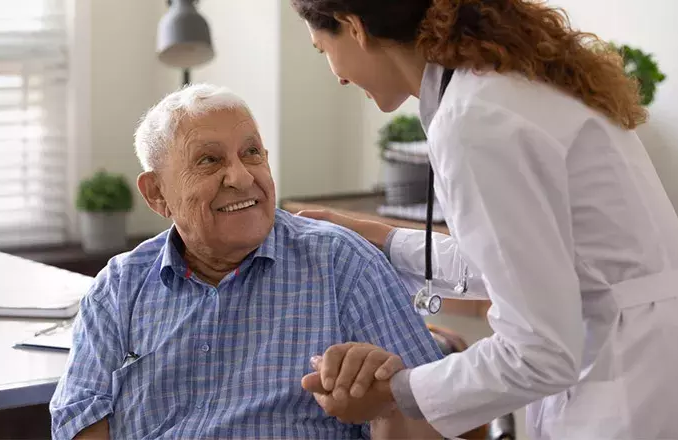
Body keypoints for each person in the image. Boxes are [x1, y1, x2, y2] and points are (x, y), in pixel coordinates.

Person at [289, 0, 678, 439]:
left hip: (629, 390)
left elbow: (538, 351)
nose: (337, 75)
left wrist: (395, 393)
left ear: (353, 26)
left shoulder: (473, 119)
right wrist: (386, 239)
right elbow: (522, 263)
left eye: (323, 50)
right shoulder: (503, 86)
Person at [49, 84, 445, 439]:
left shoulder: (342, 264)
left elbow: (440, 420)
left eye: (251, 153)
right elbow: (79, 417)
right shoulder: (119, 287)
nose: (240, 177)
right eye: (209, 160)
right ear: (157, 194)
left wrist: (385, 403)